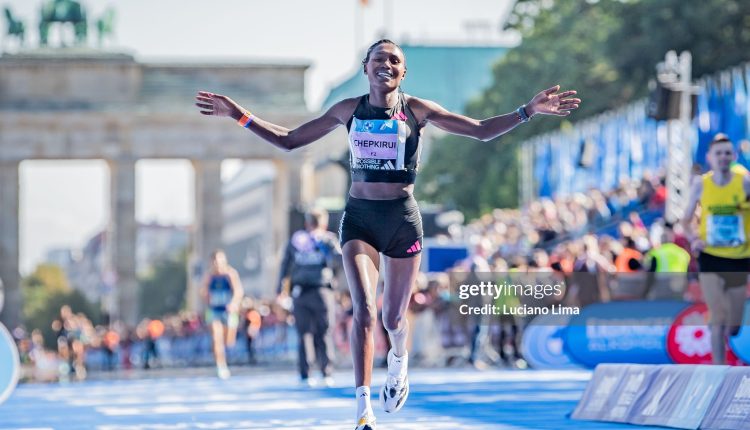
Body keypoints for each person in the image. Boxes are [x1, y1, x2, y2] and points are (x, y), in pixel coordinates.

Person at [195, 39, 580, 430]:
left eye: (395, 60)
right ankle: (363, 409)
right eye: (379, 59)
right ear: (366, 68)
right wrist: (237, 114)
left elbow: (480, 131)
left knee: (394, 317)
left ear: (403, 72)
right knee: (364, 309)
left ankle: (399, 359)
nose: (387, 65)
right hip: (360, 218)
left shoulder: (418, 110)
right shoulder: (348, 110)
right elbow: (289, 140)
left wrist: (527, 111)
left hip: (402, 219)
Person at [682, 133, 750, 365]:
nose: (723, 157)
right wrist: (693, 239)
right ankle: (718, 372)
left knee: (734, 325)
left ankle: (728, 330)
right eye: (718, 153)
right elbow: (685, 220)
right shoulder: (701, 184)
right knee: (718, 316)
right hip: (710, 256)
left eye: (727, 153)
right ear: (710, 157)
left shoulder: (745, 182)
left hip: (739, 258)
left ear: (734, 156)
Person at [277, 208, 340, 387]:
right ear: (324, 222)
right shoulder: (315, 239)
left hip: (309, 290)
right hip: (315, 290)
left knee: (310, 332)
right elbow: (340, 259)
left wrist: (279, 288)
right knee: (319, 332)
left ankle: (312, 373)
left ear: (307, 222)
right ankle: (320, 372)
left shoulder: (313, 239)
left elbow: (285, 264)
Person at [200, 249, 244, 379]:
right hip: (214, 310)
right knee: (216, 337)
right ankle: (221, 366)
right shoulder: (209, 276)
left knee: (228, 341)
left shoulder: (231, 274)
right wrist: (206, 296)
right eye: (215, 261)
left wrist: (234, 303)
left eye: (219, 261)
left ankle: (225, 356)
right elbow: (203, 290)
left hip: (228, 310)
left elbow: (238, 291)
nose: (217, 264)